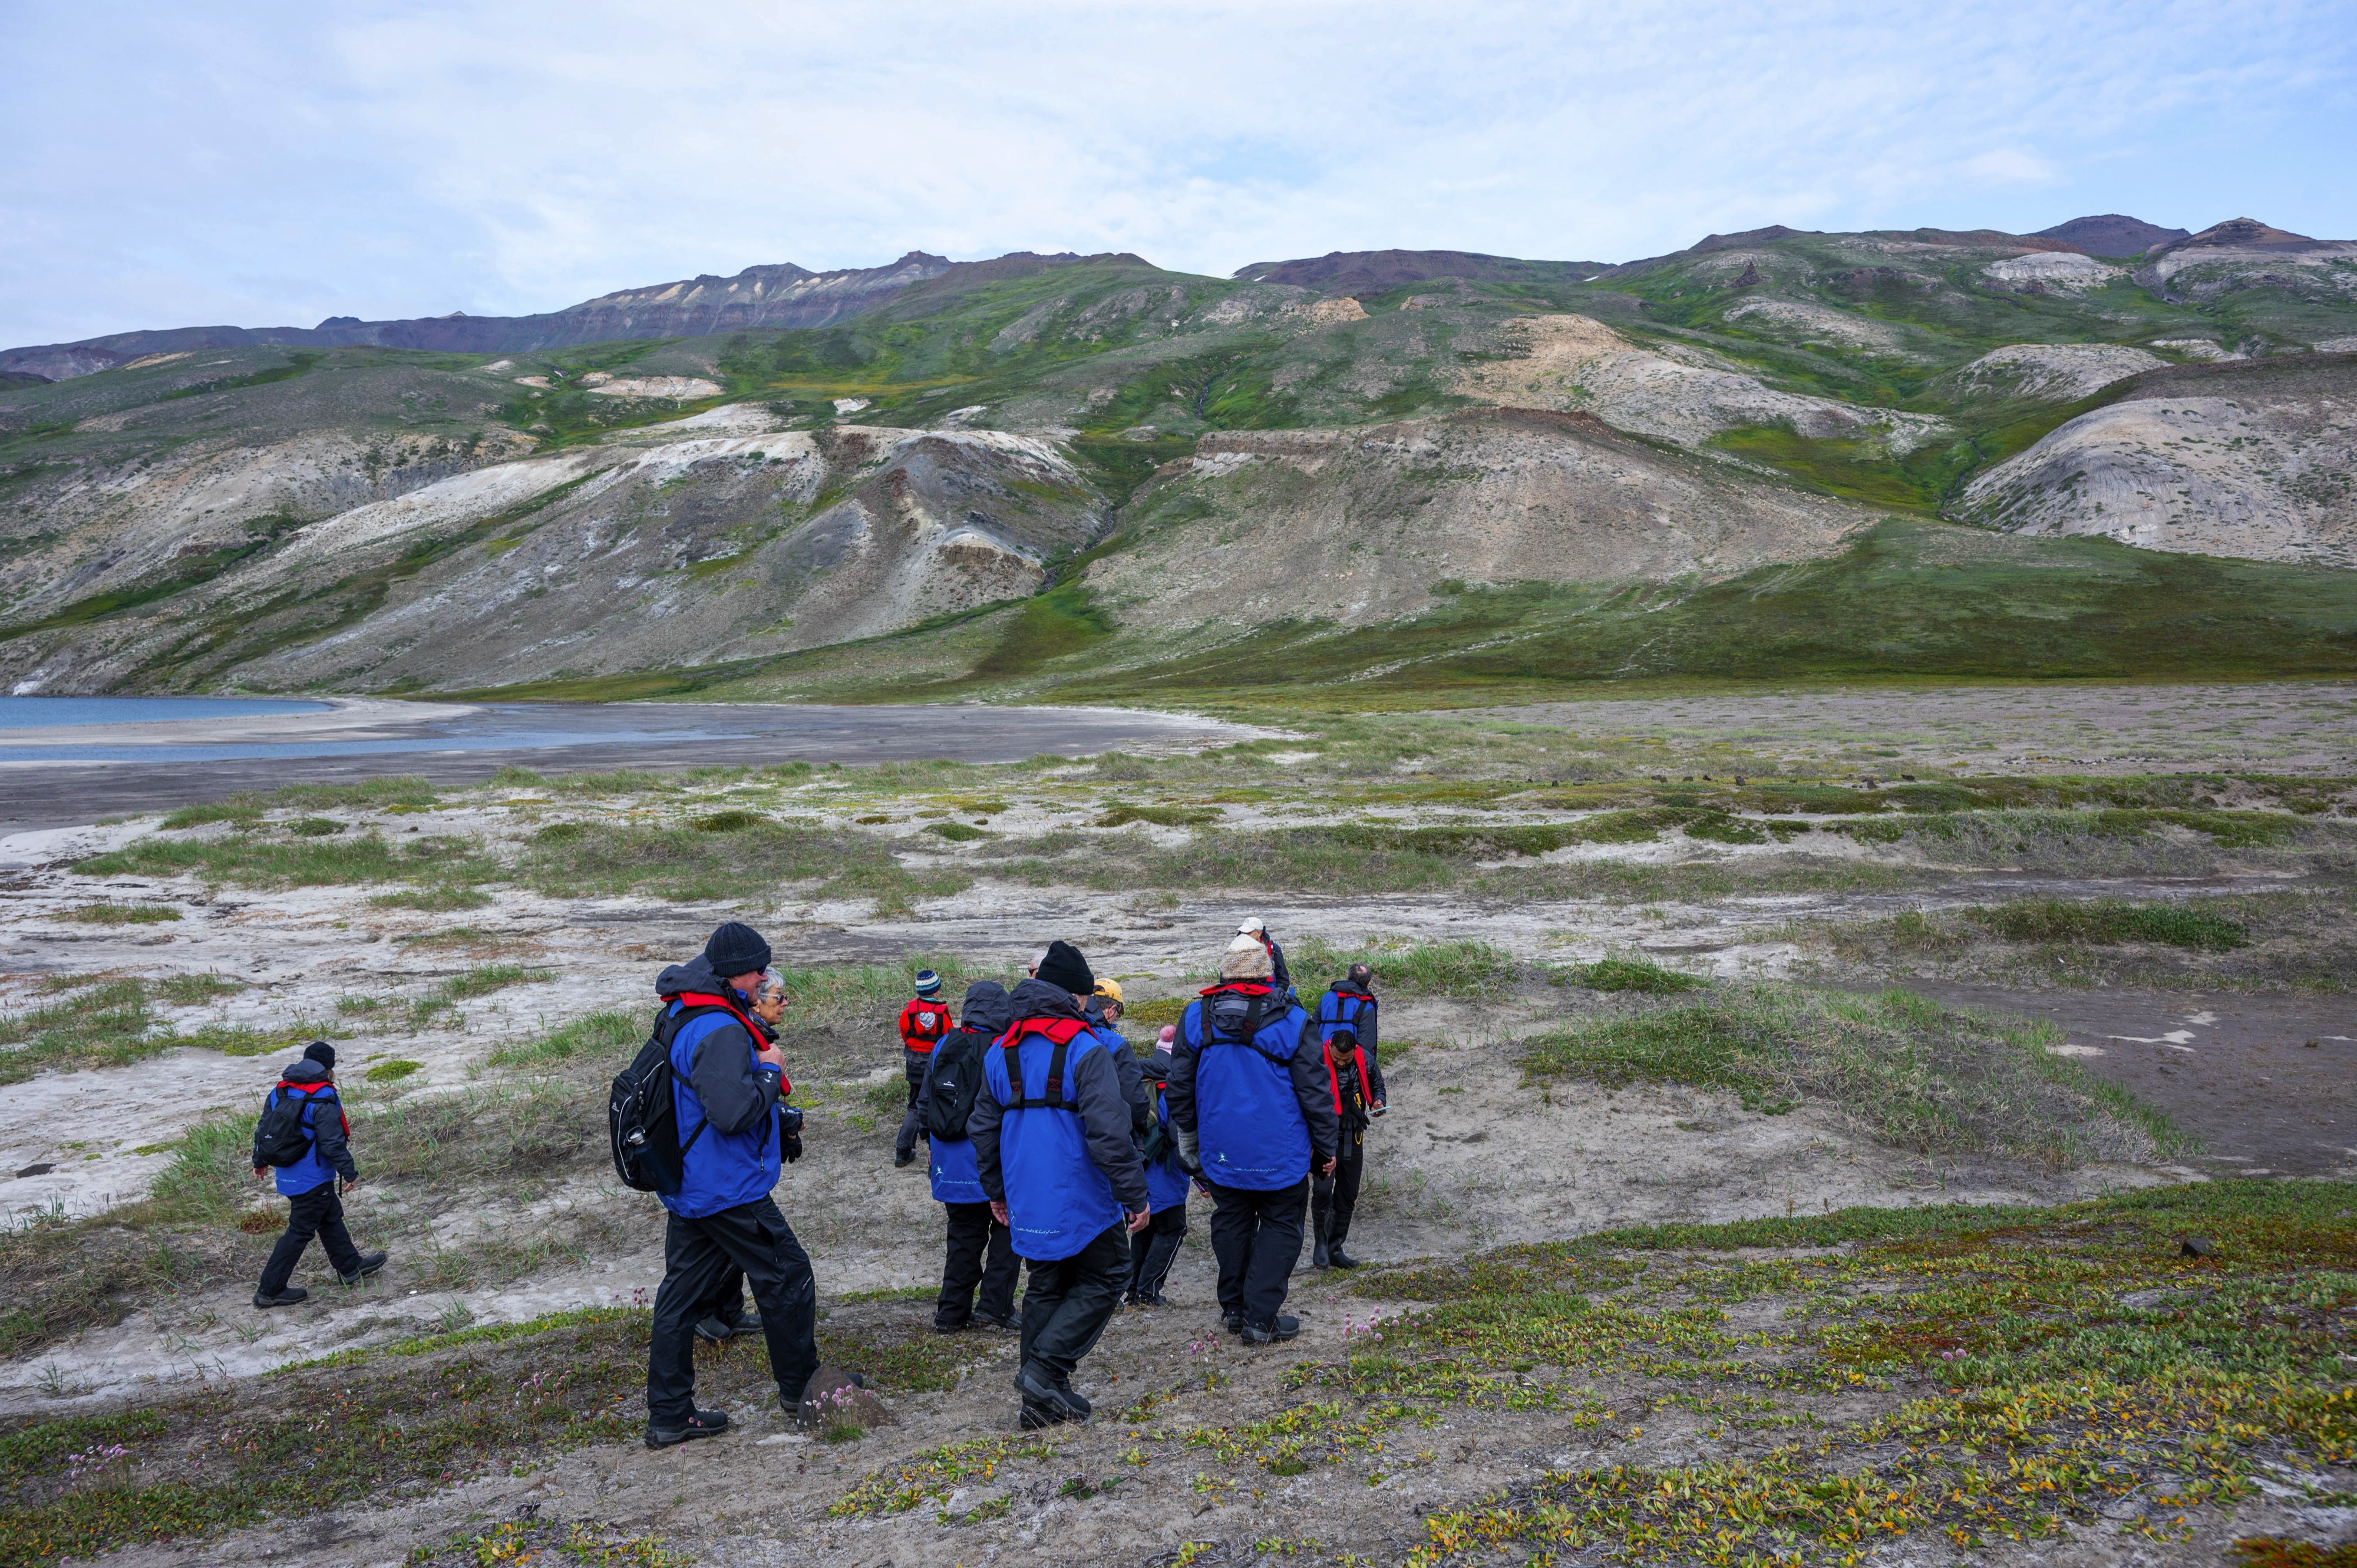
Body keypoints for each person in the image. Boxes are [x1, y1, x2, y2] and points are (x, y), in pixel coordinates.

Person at [643, 922, 820, 1450]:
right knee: (788, 1275)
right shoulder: (719, 1027)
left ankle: (670, 1414)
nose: (765, 977)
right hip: (724, 1187)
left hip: (690, 1182)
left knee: (679, 1298)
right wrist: (770, 1073)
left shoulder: (682, 1008)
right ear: (734, 973)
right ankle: (804, 1391)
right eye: (759, 969)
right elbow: (732, 1113)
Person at [969, 940, 1150, 1428]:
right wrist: (1135, 1195)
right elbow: (1110, 1133)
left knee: (1046, 1284)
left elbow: (982, 1127)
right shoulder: (1086, 1048)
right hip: (1081, 1195)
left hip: (1026, 1192)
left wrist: (996, 1188)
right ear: (1077, 996)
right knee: (1110, 1273)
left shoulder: (1001, 1048)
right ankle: (1046, 1372)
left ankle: (1039, 1401)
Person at [1167, 938, 1336, 1346]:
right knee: (1281, 1224)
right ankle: (1261, 1317)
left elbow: (1179, 1088)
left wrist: (1188, 1138)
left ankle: (1236, 1309)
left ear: (1224, 973)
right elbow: (1315, 1092)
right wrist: (1327, 1147)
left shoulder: (1195, 1017)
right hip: (1281, 1151)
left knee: (1232, 1220)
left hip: (1221, 1149)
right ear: (1267, 973)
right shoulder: (1293, 1019)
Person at [919, 980, 1022, 1334]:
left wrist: (929, 1144)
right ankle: (995, 1306)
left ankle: (950, 1314)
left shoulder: (943, 1043)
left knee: (963, 1238)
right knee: (1010, 1230)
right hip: (991, 1161)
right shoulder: (1002, 1048)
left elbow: (923, 1104)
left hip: (949, 1165)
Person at [250, 1042, 386, 1308]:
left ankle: (350, 1267)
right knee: (299, 1231)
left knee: (329, 1216)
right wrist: (349, 1172)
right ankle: (270, 1289)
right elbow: (332, 1143)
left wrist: (260, 1160)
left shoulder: (279, 1091)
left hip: (289, 1173)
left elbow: (263, 1130)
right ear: (329, 1069)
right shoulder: (323, 1096)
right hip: (313, 1178)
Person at [695, 973, 791, 1345]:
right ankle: (705, 1314)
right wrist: (771, 1073)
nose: (785, 1004)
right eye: (779, 997)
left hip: (742, 1162)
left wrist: (783, 1122)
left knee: (727, 1246)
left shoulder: (753, 1033)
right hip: (725, 1167)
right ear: (755, 999)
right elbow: (736, 1105)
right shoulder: (737, 1036)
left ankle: (729, 1312)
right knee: (748, 1251)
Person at [1311, 963, 1385, 1270]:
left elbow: (1375, 1077)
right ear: (1366, 984)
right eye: (1338, 1061)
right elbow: (1369, 1042)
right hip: (1324, 1129)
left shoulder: (1327, 999)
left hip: (1353, 1126)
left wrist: (1378, 1099)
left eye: (1347, 1061)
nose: (1342, 1065)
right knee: (1322, 1189)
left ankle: (1335, 1247)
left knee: (1348, 1193)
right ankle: (1320, 1245)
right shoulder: (1365, 1008)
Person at [1125, 1026, 1191, 1306]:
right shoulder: (1173, 1086)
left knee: (1144, 1230)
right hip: (1166, 1177)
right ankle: (1148, 1290)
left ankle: (1133, 1289)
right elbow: (1179, 1138)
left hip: (1139, 1173)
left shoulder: (1138, 1080)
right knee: (1173, 1228)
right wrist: (1201, 1178)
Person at [893, 970, 955, 1168]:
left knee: (914, 1107)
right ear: (936, 992)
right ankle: (933, 1162)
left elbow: (905, 1035)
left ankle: (903, 1152)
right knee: (935, 1110)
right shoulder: (942, 1016)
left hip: (913, 1066)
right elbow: (949, 1041)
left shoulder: (907, 1013)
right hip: (935, 1067)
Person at [1236, 917, 1294, 998]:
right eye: (1243, 932)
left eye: (1248, 933)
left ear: (1259, 933)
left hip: (1269, 999)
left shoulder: (1274, 949)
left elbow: (1283, 980)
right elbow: (1225, 979)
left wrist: (1276, 997)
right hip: (1242, 997)